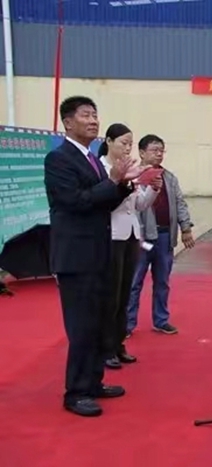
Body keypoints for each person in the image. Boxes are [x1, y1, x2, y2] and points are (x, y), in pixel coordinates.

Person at [44, 96, 142, 417]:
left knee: (100, 321)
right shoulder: (58, 159)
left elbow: (103, 203)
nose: (93, 120)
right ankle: (76, 392)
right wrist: (112, 181)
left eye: (95, 115)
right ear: (67, 122)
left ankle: (94, 381)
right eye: (85, 115)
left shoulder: (92, 160)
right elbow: (75, 201)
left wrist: (123, 185)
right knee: (82, 326)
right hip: (76, 257)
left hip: (100, 253)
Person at [99, 124, 161, 369]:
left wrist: (153, 188)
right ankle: (106, 348)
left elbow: (140, 204)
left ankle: (118, 344)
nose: (127, 148)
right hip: (112, 235)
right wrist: (123, 182)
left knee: (125, 293)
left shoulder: (130, 170)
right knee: (111, 296)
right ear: (109, 141)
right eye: (123, 143)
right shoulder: (102, 169)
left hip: (132, 234)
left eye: (130, 144)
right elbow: (107, 203)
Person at [126, 134, 194, 336]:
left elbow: (180, 203)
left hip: (164, 236)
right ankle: (127, 324)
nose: (159, 154)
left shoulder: (169, 177)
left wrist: (186, 228)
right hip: (141, 237)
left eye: (161, 150)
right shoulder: (134, 177)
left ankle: (161, 320)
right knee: (134, 282)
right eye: (154, 150)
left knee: (162, 281)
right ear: (142, 152)